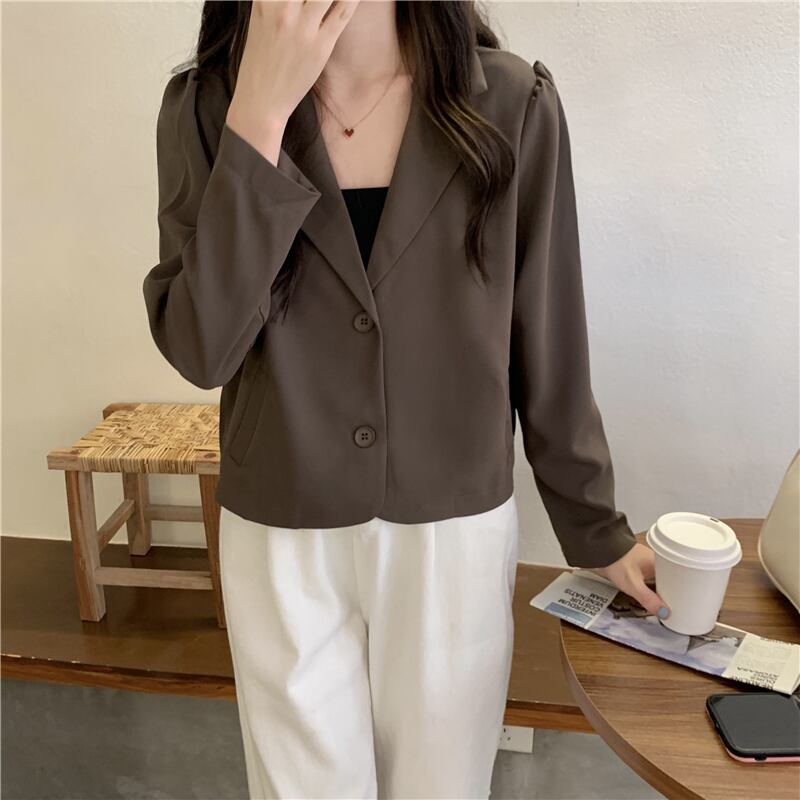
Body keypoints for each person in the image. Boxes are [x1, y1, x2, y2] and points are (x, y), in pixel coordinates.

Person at [142, 1, 671, 797]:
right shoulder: (208, 106)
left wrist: (596, 529)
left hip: (451, 534)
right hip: (281, 533)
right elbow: (200, 347)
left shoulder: (511, 103)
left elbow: (548, 339)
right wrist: (260, 116)